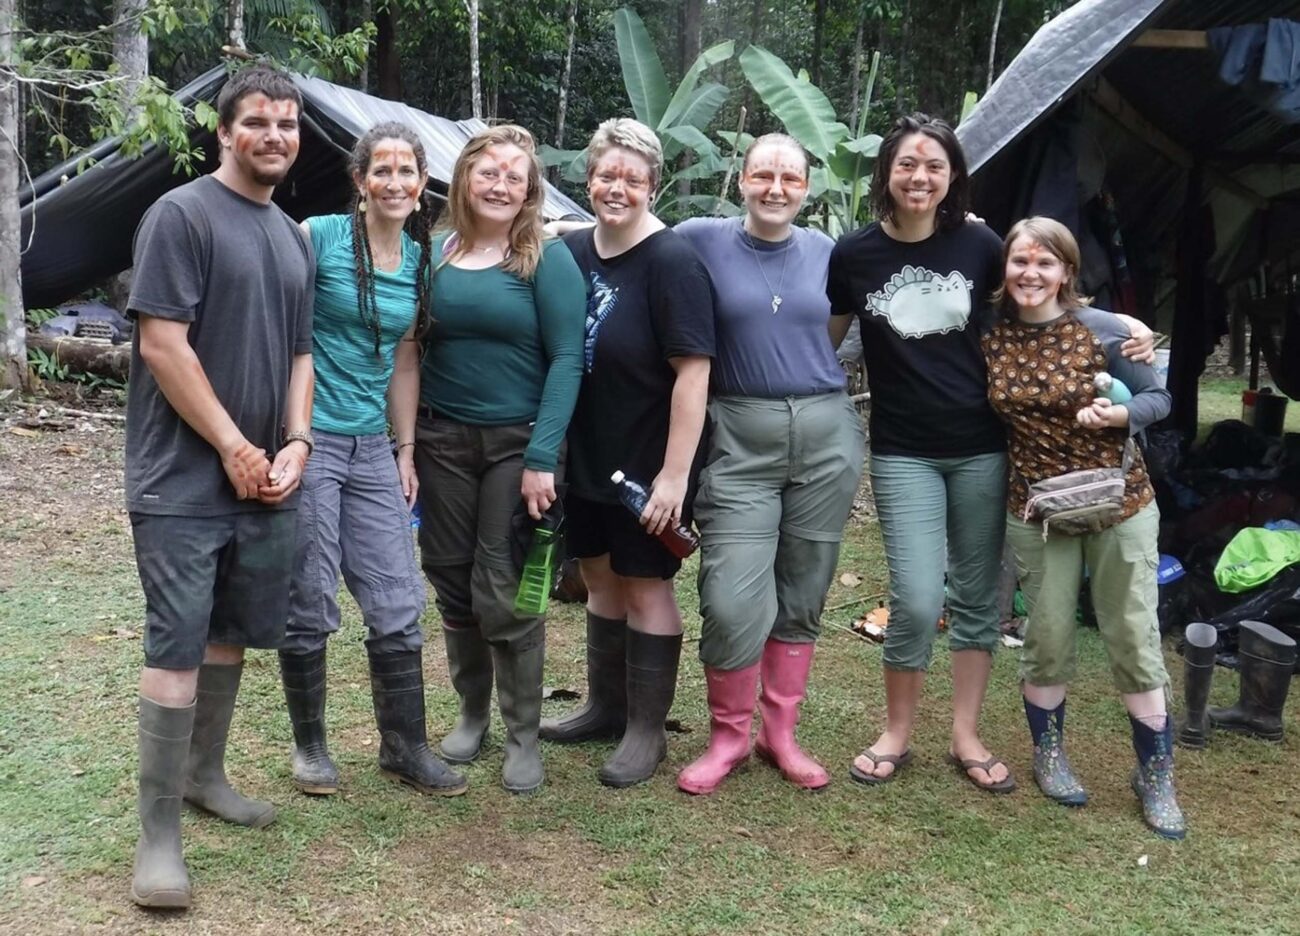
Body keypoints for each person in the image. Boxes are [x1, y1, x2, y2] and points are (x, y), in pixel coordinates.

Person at [826, 113, 1153, 792]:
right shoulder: (853, 255)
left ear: (952, 177)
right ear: (886, 171)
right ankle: (896, 730)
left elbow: (1043, 293)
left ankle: (966, 734)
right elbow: (821, 342)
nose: (920, 177)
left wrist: (1123, 323)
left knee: (977, 599)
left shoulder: (978, 245)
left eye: (935, 166)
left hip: (982, 450)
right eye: (908, 164)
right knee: (916, 599)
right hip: (902, 453)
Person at [125, 65, 315, 909]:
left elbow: (302, 354)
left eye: (287, 123)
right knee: (175, 647)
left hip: (268, 477)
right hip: (182, 480)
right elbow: (164, 345)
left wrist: (298, 440)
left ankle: (204, 776)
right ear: (224, 132)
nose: (274, 136)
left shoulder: (290, 235)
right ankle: (157, 838)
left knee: (231, 632)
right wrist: (236, 444)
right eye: (258, 123)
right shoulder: (181, 215)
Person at [671, 134, 865, 794]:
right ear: (742, 182)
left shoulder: (832, 253)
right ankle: (729, 735)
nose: (776, 187)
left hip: (824, 434)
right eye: (763, 175)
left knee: (806, 584)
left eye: (790, 177)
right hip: (739, 436)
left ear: (808, 188)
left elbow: (851, 315)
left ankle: (779, 733)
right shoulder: (700, 237)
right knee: (729, 597)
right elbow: (629, 236)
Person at [277, 122, 466, 799]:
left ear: (421, 185)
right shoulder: (317, 236)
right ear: (360, 181)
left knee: (397, 596)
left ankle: (404, 746)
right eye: (379, 170)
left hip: (372, 447)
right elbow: (275, 321)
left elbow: (405, 360)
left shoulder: (418, 262)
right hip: (311, 437)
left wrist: (404, 448)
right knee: (309, 593)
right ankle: (312, 748)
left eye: (405, 171)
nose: (393, 182)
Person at [984, 216, 1182, 839]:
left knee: (1130, 630)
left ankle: (1154, 773)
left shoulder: (1104, 330)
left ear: (1067, 272)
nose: (1031, 274)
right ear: (1005, 268)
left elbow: (1160, 398)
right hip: (1038, 508)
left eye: (1046, 263)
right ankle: (1048, 755)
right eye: (1020, 261)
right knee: (1045, 633)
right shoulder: (989, 333)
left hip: (1119, 500)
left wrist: (1120, 414)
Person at [540, 118, 715, 788]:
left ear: (653, 185)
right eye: (607, 175)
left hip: (648, 458)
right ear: (589, 179)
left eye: (632, 179)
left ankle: (646, 729)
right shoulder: (574, 251)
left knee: (646, 583)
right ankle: (605, 707)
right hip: (585, 449)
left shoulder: (672, 263)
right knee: (600, 577)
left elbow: (693, 373)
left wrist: (675, 476)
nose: (618, 188)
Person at [414, 124, 585, 795]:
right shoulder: (435, 252)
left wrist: (545, 454)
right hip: (443, 441)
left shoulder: (545, 256)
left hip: (519, 444)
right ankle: (471, 713)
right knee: (452, 577)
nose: (501, 184)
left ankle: (522, 732)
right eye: (489, 172)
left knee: (506, 580)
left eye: (515, 175)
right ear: (463, 179)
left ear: (529, 189)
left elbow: (569, 357)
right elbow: (412, 346)